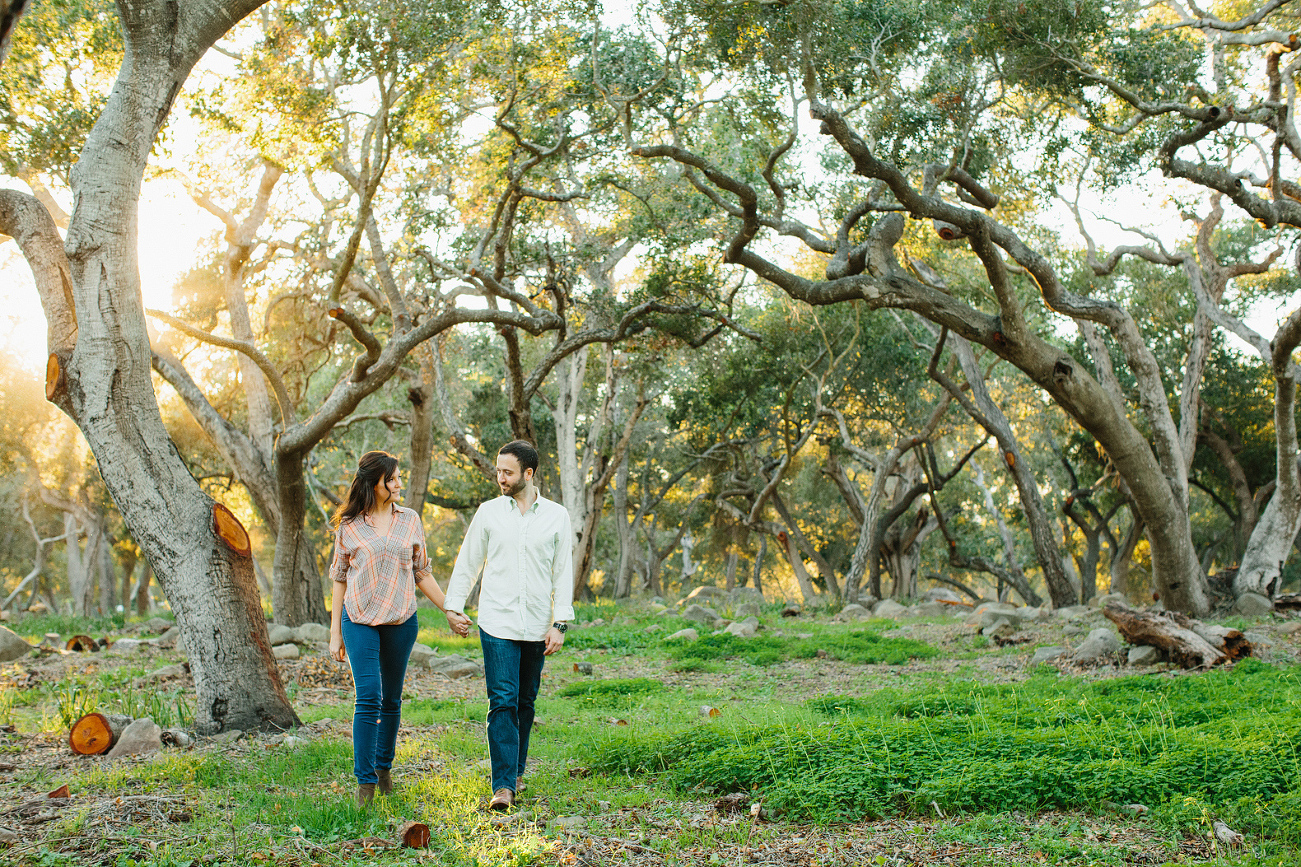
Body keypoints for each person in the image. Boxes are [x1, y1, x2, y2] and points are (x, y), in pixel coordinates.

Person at [328, 450, 471, 807]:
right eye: (390, 479)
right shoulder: (349, 526)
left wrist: (450, 610)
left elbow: (421, 571)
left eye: (397, 478)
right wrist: (335, 633)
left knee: (391, 699)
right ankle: (364, 786)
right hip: (358, 619)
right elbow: (339, 579)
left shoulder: (409, 519)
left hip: (401, 619)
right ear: (372, 483)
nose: (397, 484)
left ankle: (383, 770)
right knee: (369, 697)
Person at [443, 440, 574, 811]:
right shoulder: (488, 513)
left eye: (507, 472)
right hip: (496, 622)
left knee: (525, 702)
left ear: (528, 474)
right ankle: (502, 785)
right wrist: (454, 606)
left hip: (536, 625)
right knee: (501, 700)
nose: (500, 477)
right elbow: (468, 562)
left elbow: (562, 572)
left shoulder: (556, 517)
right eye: (498, 471)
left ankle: (515, 771)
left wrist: (559, 623)